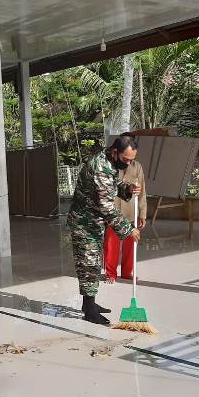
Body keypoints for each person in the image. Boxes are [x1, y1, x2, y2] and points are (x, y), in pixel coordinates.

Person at [67, 135, 141, 325]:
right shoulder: (101, 168)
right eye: (126, 160)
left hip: (93, 220)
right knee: (89, 265)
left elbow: (112, 185)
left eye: (132, 160)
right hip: (84, 222)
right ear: (115, 152)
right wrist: (128, 229)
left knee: (92, 262)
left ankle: (88, 304)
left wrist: (127, 189)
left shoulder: (108, 161)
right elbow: (106, 207)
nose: (129, 163)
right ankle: (90, 311)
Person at [103, 144, 147, 283]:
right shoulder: (110, 166)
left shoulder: (137, 167)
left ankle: (127, 272)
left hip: (131, 211)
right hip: (113, 211)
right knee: (111, 244)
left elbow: (142, 192)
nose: (128, 160)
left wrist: (142, 213)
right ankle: (110, 274)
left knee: (130, 244)